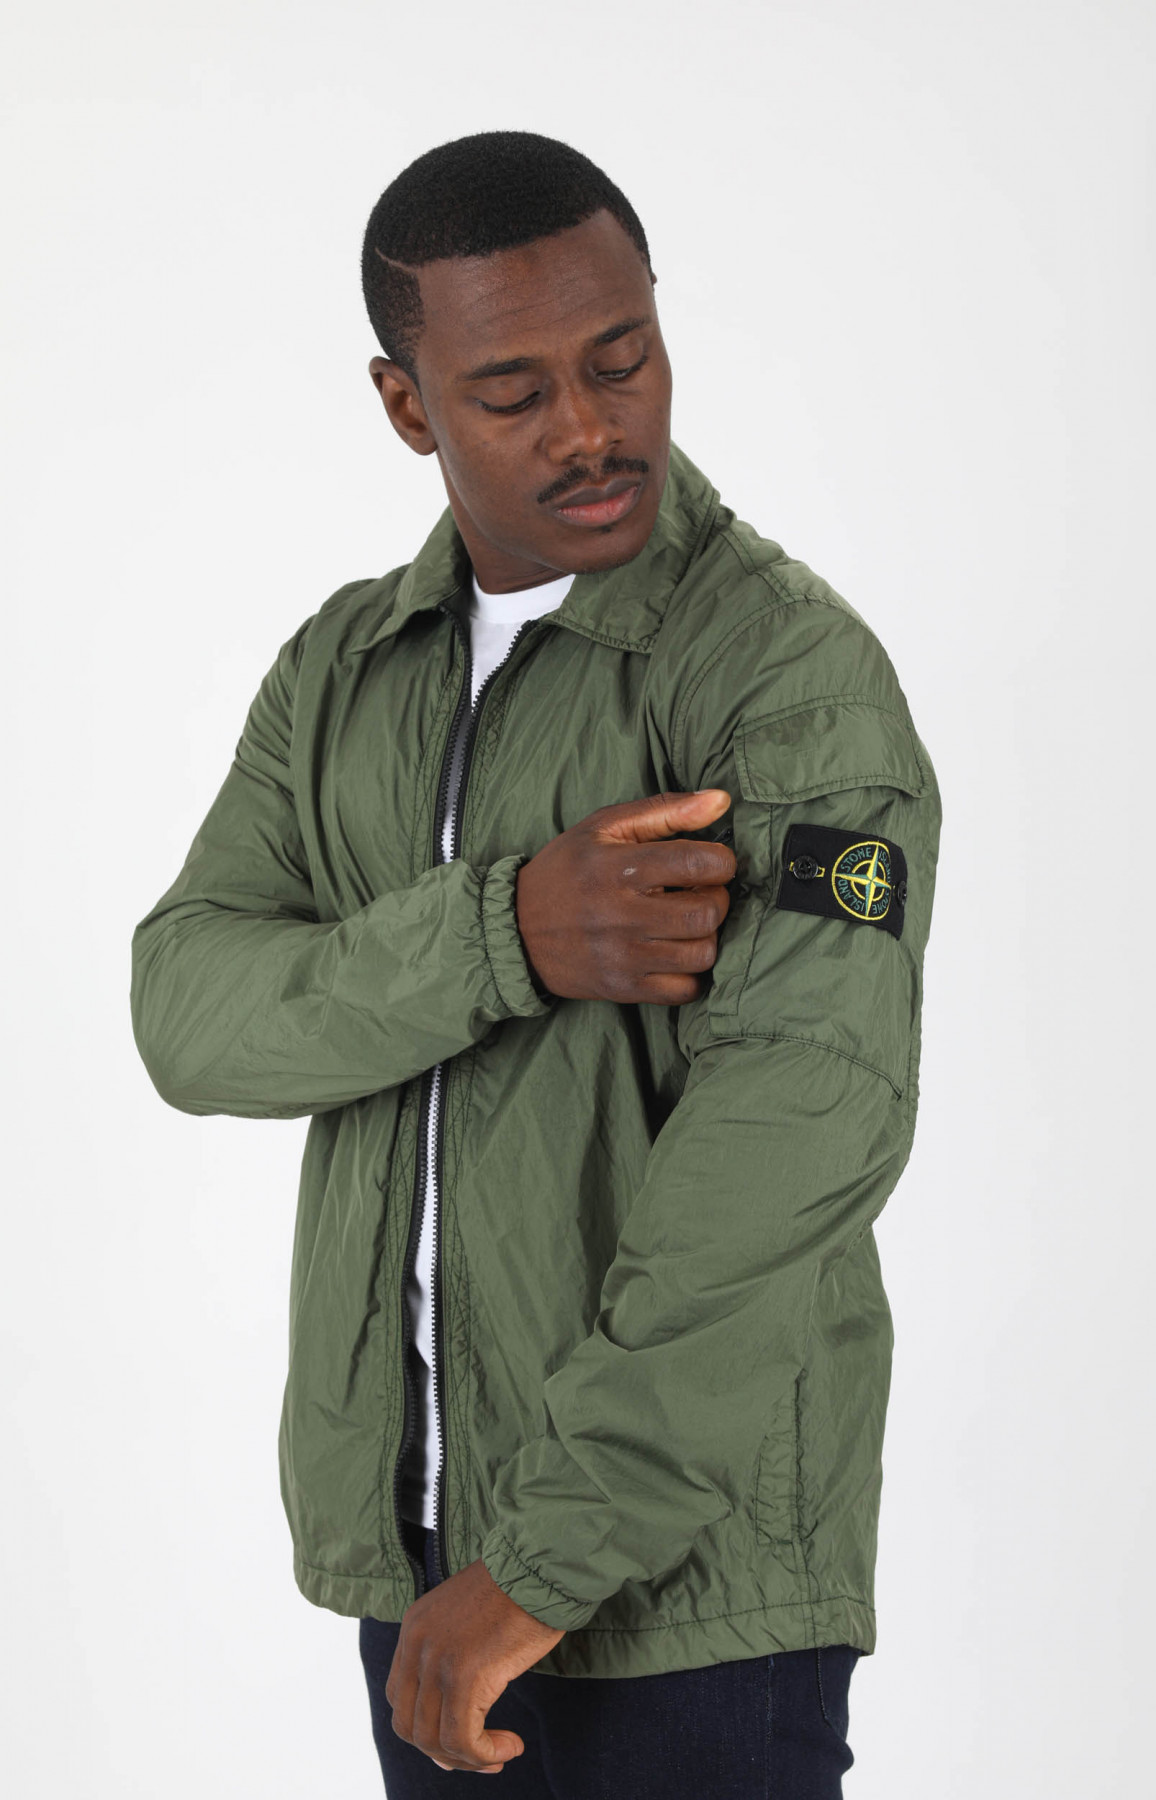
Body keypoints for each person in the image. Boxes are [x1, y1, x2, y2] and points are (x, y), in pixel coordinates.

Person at [130, 129, 941, 1797]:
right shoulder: (342, 673)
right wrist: (505, 932)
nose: (589, 426)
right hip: (423, 1553)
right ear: (407, 404)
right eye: (512, 391)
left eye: (622, 359)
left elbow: (799, 1134)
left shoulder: (786, 677)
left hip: (690, 1588)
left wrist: (547, 1562)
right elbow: (191, 1013)